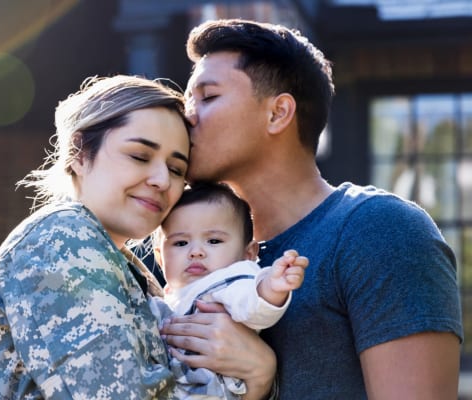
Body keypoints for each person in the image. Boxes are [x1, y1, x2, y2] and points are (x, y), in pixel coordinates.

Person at [159, 18, 463, 399]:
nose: (187, 116)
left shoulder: (380, 231)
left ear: (277, 114)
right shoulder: (183, 252)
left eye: (207, 97)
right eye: (188, 100)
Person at [0, 75, 276, 399]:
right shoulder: (64, 242)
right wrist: (258, 375)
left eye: (176, 169)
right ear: (79, 153)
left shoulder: (121, 262)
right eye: (140, 156)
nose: (161, 180)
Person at [149, 182, 308, 399]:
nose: (196, 251)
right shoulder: (172, 295)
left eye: (214, 241)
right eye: (180, 243)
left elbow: (251, 304)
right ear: (160, 256)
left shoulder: (228, 280)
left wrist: (271, 286)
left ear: (249, 253)